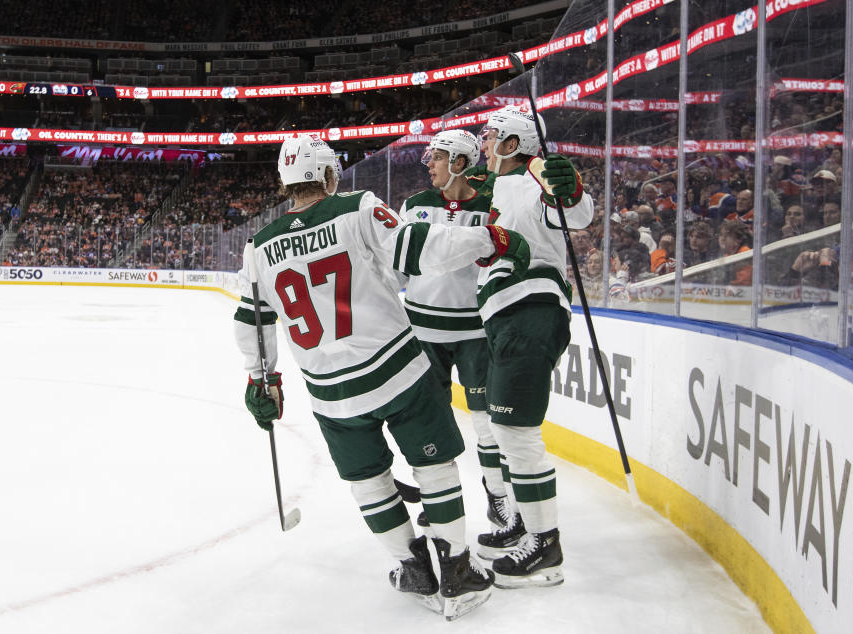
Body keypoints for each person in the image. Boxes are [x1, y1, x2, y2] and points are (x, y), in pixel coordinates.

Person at [234, 134, 528, 619]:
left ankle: (410, 566)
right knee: (433, 468)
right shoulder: (357, 208)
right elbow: (420, 248)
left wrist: (260, 380)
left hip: (332, 395)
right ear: (328, 176)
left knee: (368, 481)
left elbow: (253, 322)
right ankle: (456, 569)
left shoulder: (257, 248)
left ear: (284, 183)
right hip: (397, 370)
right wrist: (487, 238)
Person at [475, 104, 594, 588]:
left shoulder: (533, 176)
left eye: (490, 136)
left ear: (511, 143)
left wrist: (571, 188)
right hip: (506, 319)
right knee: (507, 433)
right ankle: (528, 524)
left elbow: (575, 213)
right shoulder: (496, 187)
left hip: (531, 313)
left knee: (516, 434)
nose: (482, 143)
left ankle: (545, 547)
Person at [398, 129, 510, 529]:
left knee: (486, 420)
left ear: (460, 163)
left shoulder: (492, 206)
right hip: (424, 332)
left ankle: (498, 494)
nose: (428, 164)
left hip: (475, 332)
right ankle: (439, 495)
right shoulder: (414, 204)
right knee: (434, 421)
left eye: (437, 158)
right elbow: (397, 264)